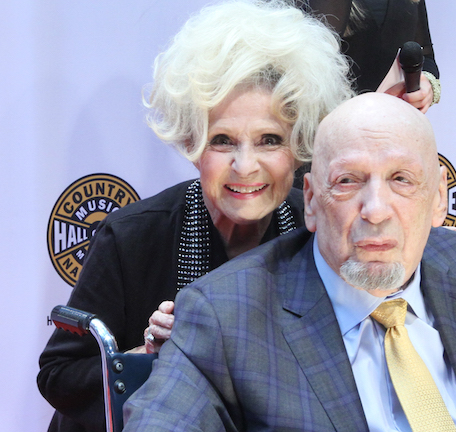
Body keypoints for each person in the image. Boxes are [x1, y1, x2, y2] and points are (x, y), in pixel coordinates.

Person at [123, 93, 456, 431]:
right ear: (313, 202)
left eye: (401, 179)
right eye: (348, 181)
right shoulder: (226, 317)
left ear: (437, 202)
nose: (375, 209)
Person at [37, 2, 354, 431]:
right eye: (223, 140)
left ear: (300, 146)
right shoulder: (133, 237)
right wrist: (142, 359)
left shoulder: (321, 228)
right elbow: (59, 377)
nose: (245, 166)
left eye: (269, 140)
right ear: (192, 144)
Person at [303, 0, 440, 112]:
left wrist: (426, 86)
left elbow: (425, 55)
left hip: (390, 126)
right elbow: (308, 58)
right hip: (325, 129)